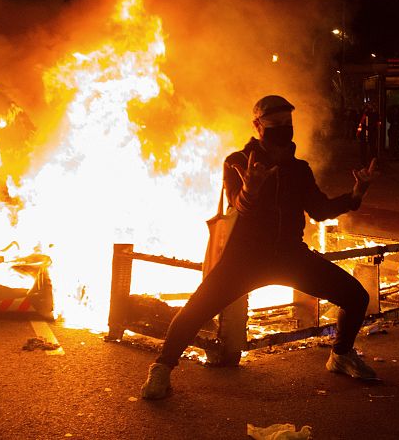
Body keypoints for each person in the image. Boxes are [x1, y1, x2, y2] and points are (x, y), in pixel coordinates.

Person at [140, 95, 380, 400]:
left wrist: (357, 194)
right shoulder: (238, 163)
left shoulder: (299, 169)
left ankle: (341, 355)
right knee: (195, 310)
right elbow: (237, 205)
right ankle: (162, 369)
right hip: (244, 259)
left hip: (291, 256)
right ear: (257, 125)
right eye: (274, 124)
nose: (283, 129)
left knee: (356, 296)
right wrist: (250, 190)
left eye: (287, 123)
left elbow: (320, 210)